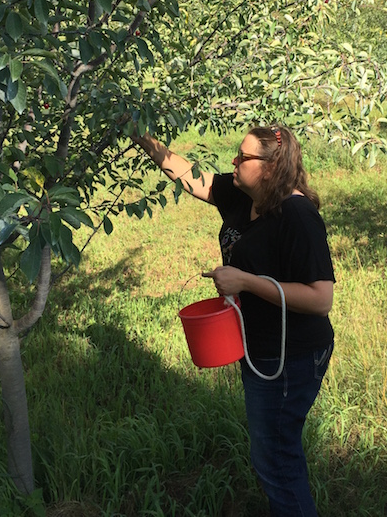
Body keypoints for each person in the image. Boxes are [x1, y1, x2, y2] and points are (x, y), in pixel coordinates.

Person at [133, 125, 335, 517]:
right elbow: (192, 178)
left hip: (291, 356)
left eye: (243, 157)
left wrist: (245, 282)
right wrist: (141, 136)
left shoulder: (296, 215)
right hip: (261, 347)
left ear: (273, 167)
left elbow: (320, 298)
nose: (234, 162)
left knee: (275, 460)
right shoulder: (245, 196)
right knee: (274, 451)